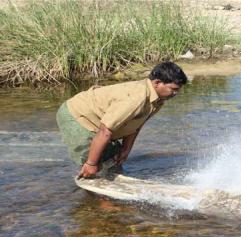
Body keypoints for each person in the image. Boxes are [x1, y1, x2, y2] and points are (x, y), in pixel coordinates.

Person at [56, 62, 187, 179]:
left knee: (115, 162)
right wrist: (91, 164)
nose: (176, 94)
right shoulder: (136, 98)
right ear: (157, 83)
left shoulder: (158, 99)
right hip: (77, 115)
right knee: (93, 166)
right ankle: (97, 197)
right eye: (173, 89)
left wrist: (126, 149)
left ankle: (106, 196)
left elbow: (136, 124)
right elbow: (105, 131)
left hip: (100, 121)